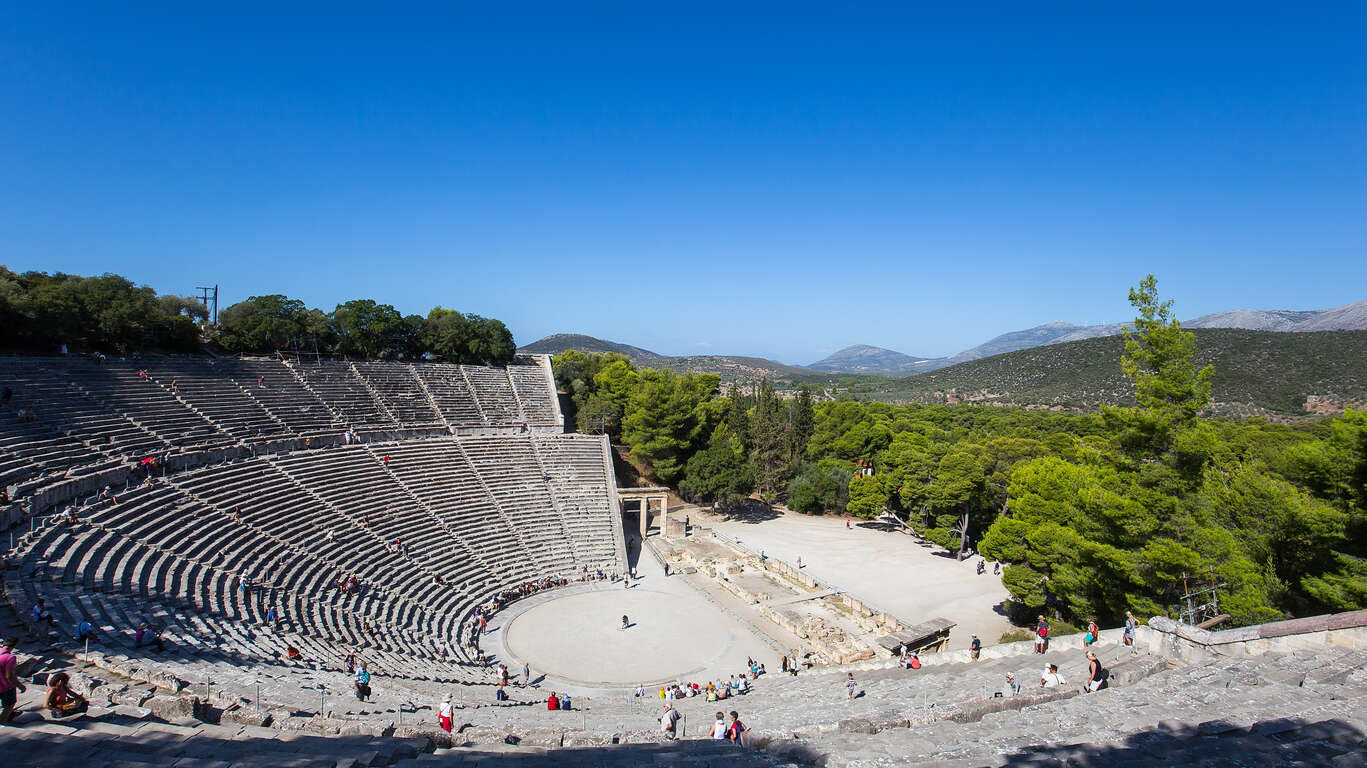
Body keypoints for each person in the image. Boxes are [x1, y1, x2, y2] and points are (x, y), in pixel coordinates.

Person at [0, 637, 26, 725]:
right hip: (6, 687)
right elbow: (9, 675)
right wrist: (20, 686)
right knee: (9, 706)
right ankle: (2, 724)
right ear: (14, 646)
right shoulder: (10, 657)